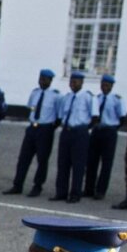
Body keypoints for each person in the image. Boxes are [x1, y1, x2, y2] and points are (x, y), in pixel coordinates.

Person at [2, 68, 61, 197]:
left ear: (50, 81)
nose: (42, 81)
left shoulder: (56, 96)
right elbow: (31, 109)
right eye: (41, 79)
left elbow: (58, 116)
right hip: (32, 128)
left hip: (45, 129)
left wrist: (49, 128)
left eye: (45, 79)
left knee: (42, 159)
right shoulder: (34, 93)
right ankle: (17, 185)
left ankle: (37, 186)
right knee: (24, 158)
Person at [51, 72, 98, 203]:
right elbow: (61, 116)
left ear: (82, 82)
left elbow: (95, 117)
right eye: (71, 81)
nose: (73, 84)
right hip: (67, 131)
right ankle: (61, 192)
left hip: (80, 132)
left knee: (78, 164)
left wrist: (84, 129)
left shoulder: (88, 97)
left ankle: (75, 193)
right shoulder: (67, 97)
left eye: (75, 81)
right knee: (63, 163)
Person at [85, 75, 124, 200]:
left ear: (112, 86)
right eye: (103, 84)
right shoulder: (97, 98)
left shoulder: (116, 100)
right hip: (97, 131)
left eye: (107, 85)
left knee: (106, 163)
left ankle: (101, 190)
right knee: (91, 161)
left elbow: (122, 118)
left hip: (109, 132)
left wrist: (112, 128)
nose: (104, 87)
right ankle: (88, 189)